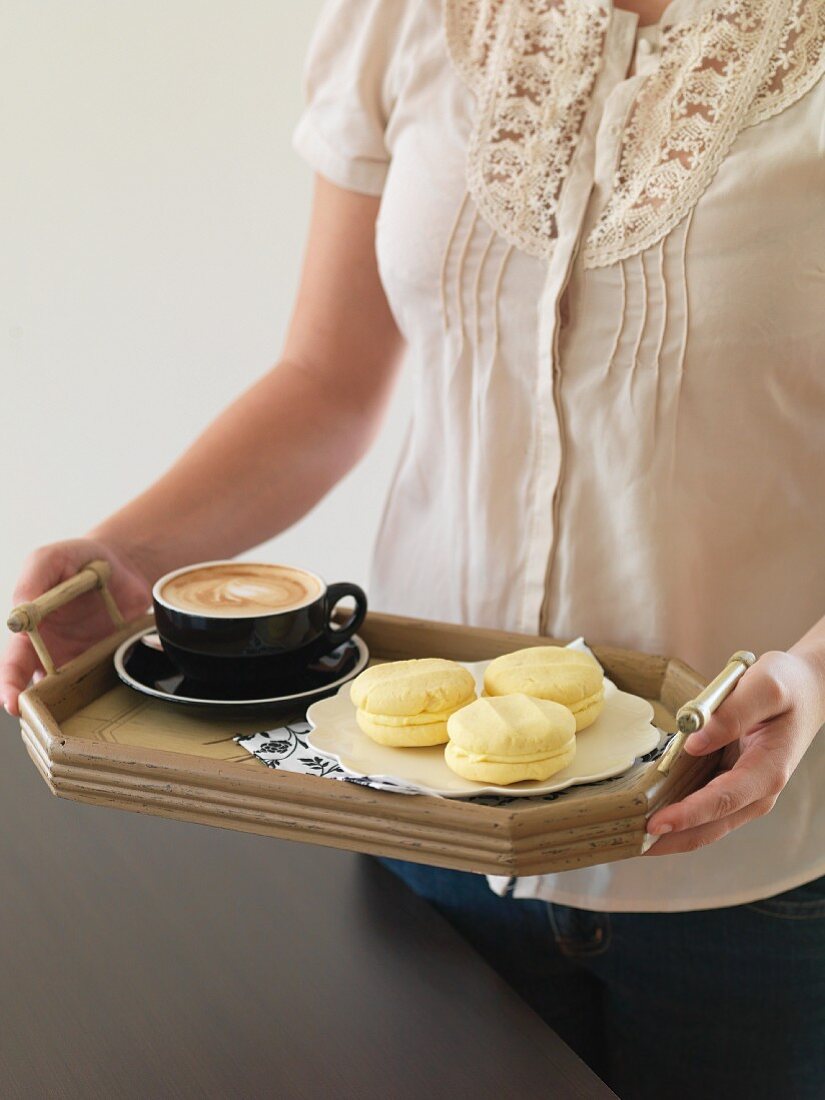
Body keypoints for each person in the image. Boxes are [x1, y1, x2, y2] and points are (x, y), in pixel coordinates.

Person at [3, 0, 824, 1095]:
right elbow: (326, 382)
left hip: (753, 877)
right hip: (417, 838)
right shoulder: (404, 15)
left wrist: (812, 679)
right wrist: (126, 549)